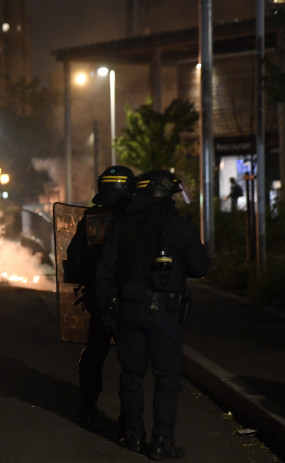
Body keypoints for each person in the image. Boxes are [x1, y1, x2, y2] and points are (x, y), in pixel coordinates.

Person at [96, 169, 209, 460]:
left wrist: (105, 309)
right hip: (165, 312)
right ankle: (162, 442)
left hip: (128, 310)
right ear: (162, 193)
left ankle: (131, 435)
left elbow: (105, 272)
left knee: (132, 375)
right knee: (167, 379)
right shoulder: (178, 226)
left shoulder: (121, 224)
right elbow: (199, 268)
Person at [65, 165, 135, 428]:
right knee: (132, 360)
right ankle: (130, 422)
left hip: (99, 299)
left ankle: (88, 408)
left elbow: (74, 261)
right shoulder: (137, 218)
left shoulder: (92, 219)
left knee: (94, 354)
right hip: (132, 299)